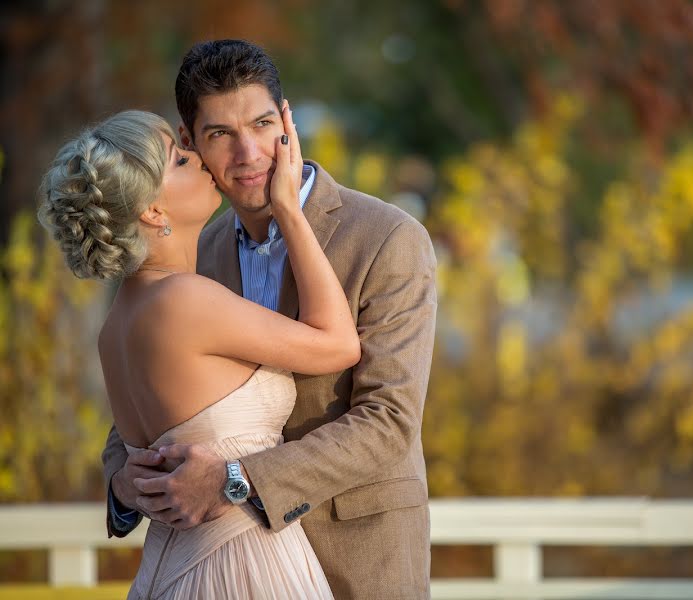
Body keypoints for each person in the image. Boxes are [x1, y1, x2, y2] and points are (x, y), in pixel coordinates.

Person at [101, 40, 437, 598]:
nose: (249, 152)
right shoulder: (194, 249)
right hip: (224, 566)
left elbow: (388, 421)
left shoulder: (387, 239)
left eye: (260, 124)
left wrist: (236, 481)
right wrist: (121, 479)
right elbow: (153, 388)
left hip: (358, 562)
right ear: (189, 143)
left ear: (286, 120)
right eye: (220, 135)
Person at [39, 106, 347, 597]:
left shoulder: (115, 324)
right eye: (179, 160)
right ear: (152, 211)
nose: (199, 156)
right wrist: (288, 208)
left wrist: (121, 487)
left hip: (172, 570)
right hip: (243, 571)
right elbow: (337, 344)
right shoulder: (185, 300)